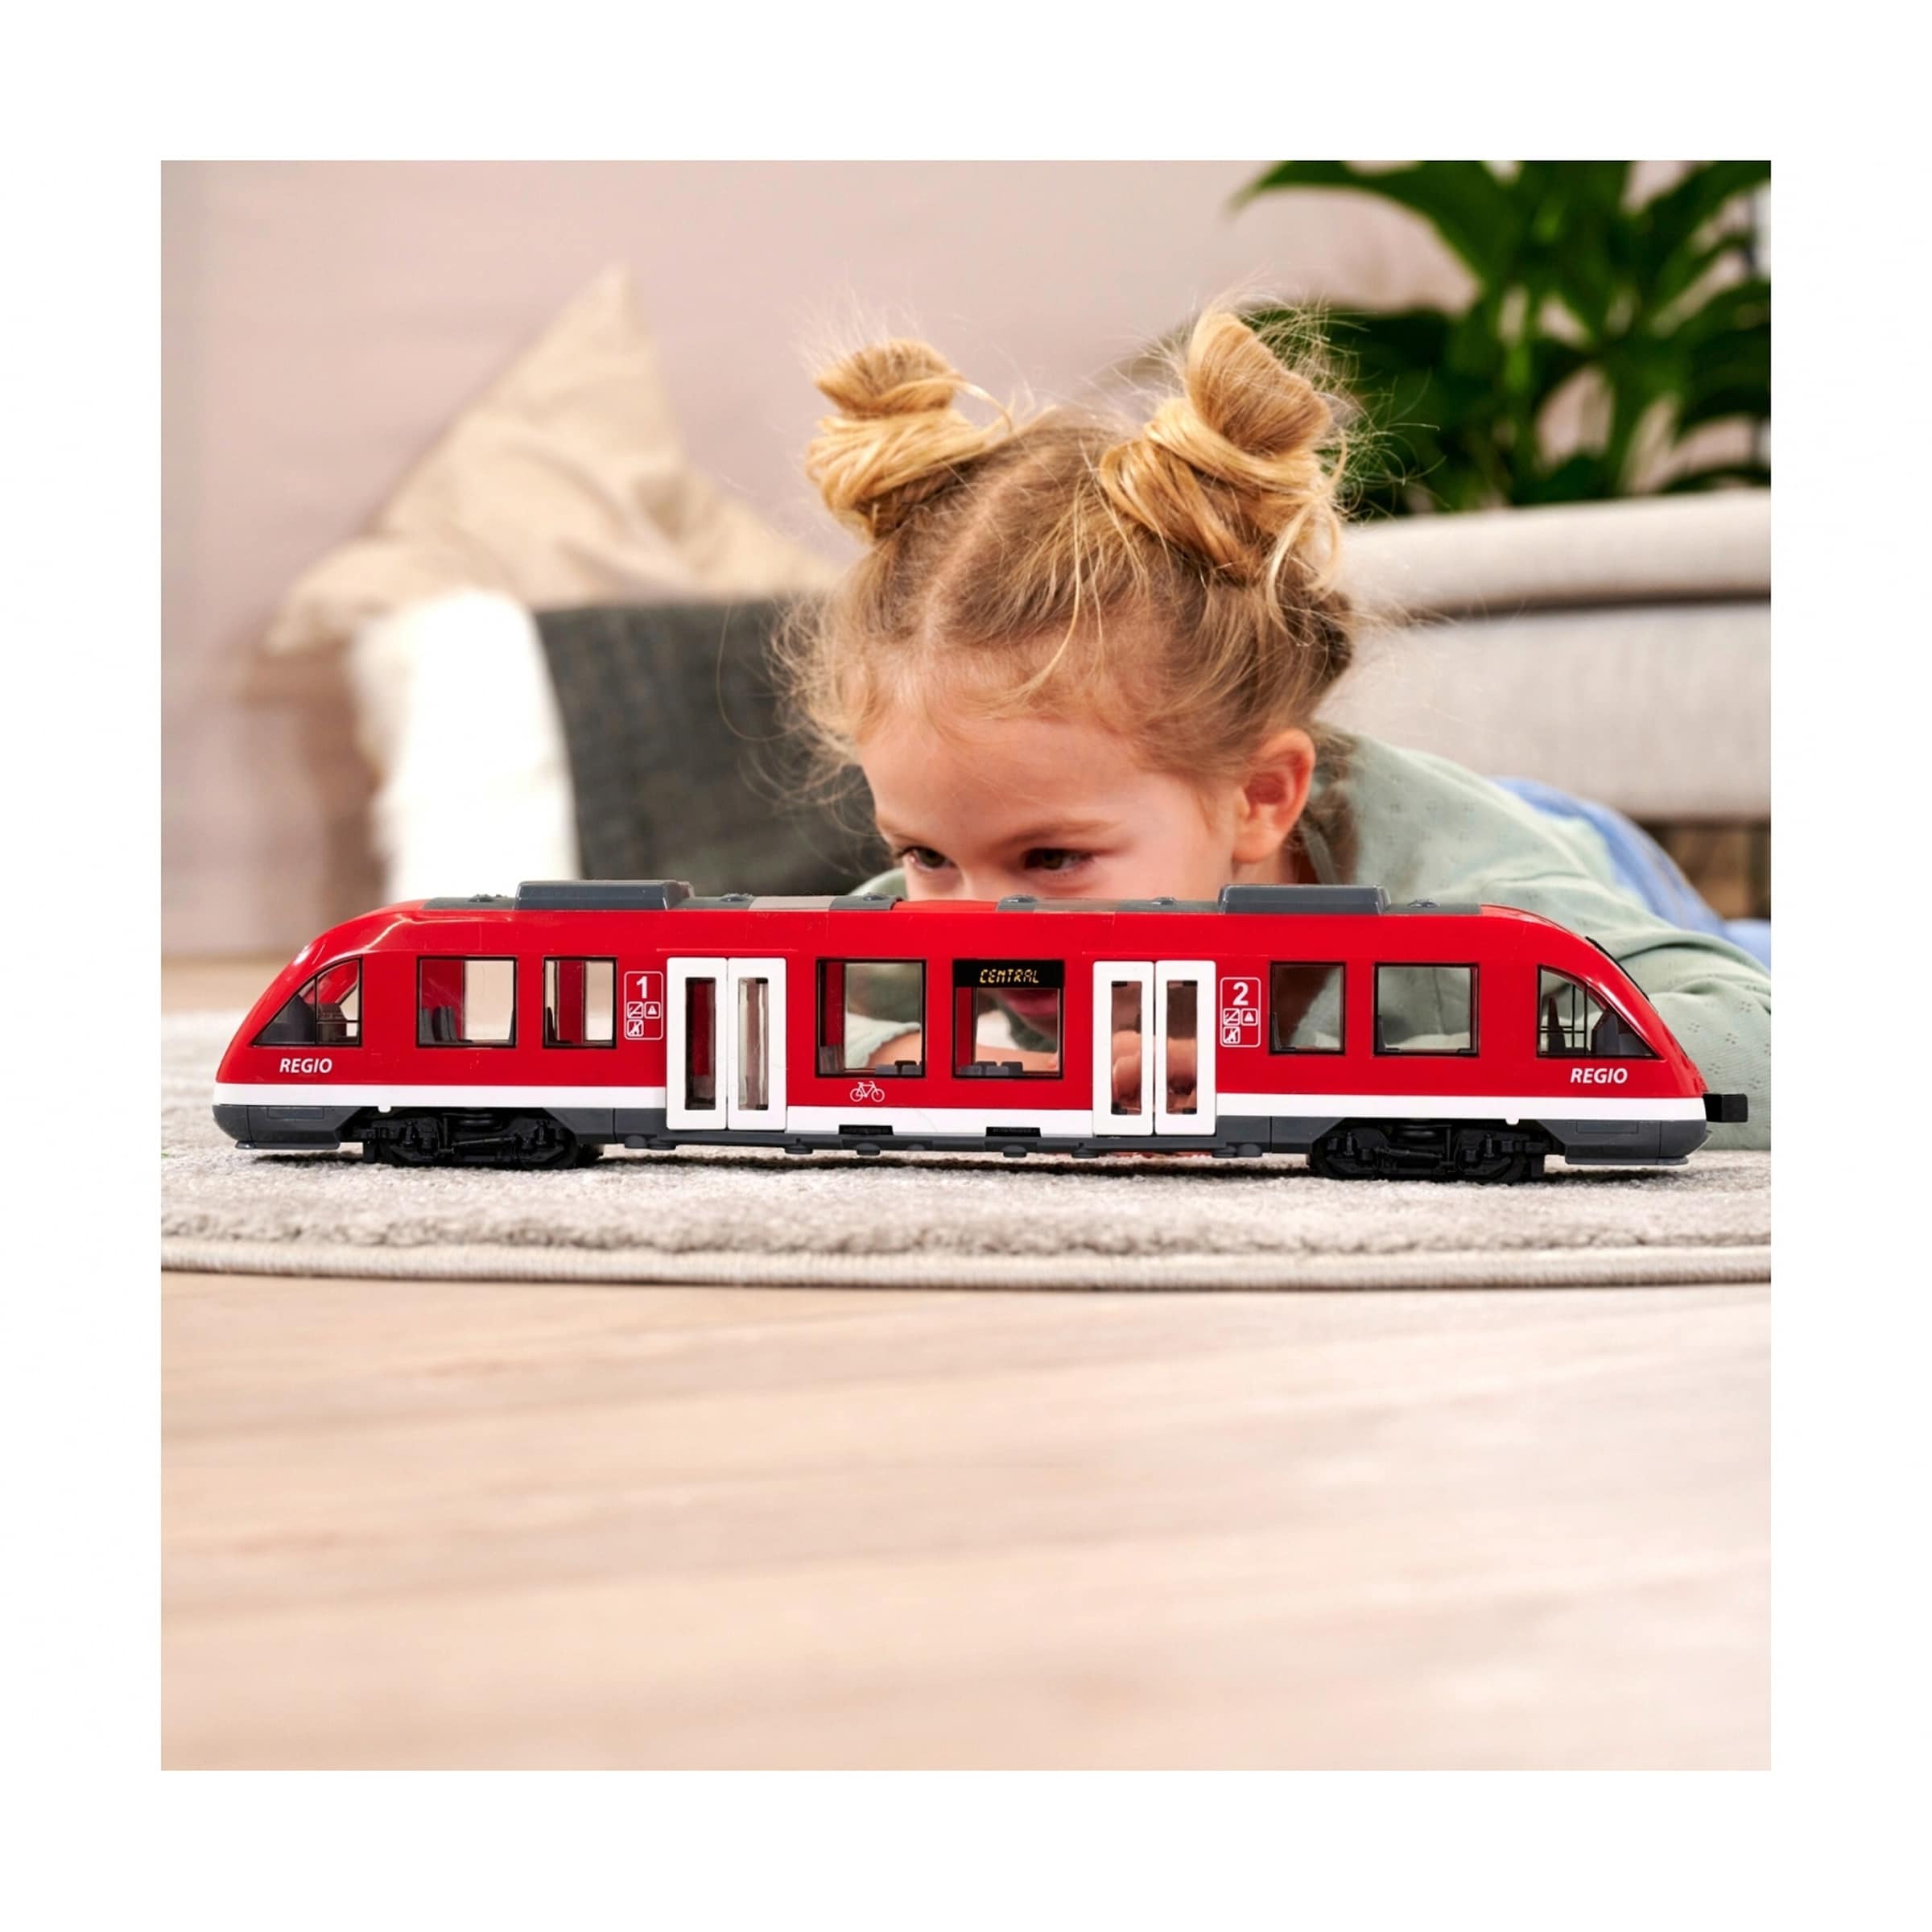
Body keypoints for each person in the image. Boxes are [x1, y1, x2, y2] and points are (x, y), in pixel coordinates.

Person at [773, 303, 1770, 1146]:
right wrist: (901, 1053)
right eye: (925, 855)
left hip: (1590, 860)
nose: (982, 929)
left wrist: (1324, 1077)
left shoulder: (1478, 901)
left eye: (1053, 859)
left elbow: (1756, 1047)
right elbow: (752, 1007)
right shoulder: (973, 880)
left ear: (1256, 799)